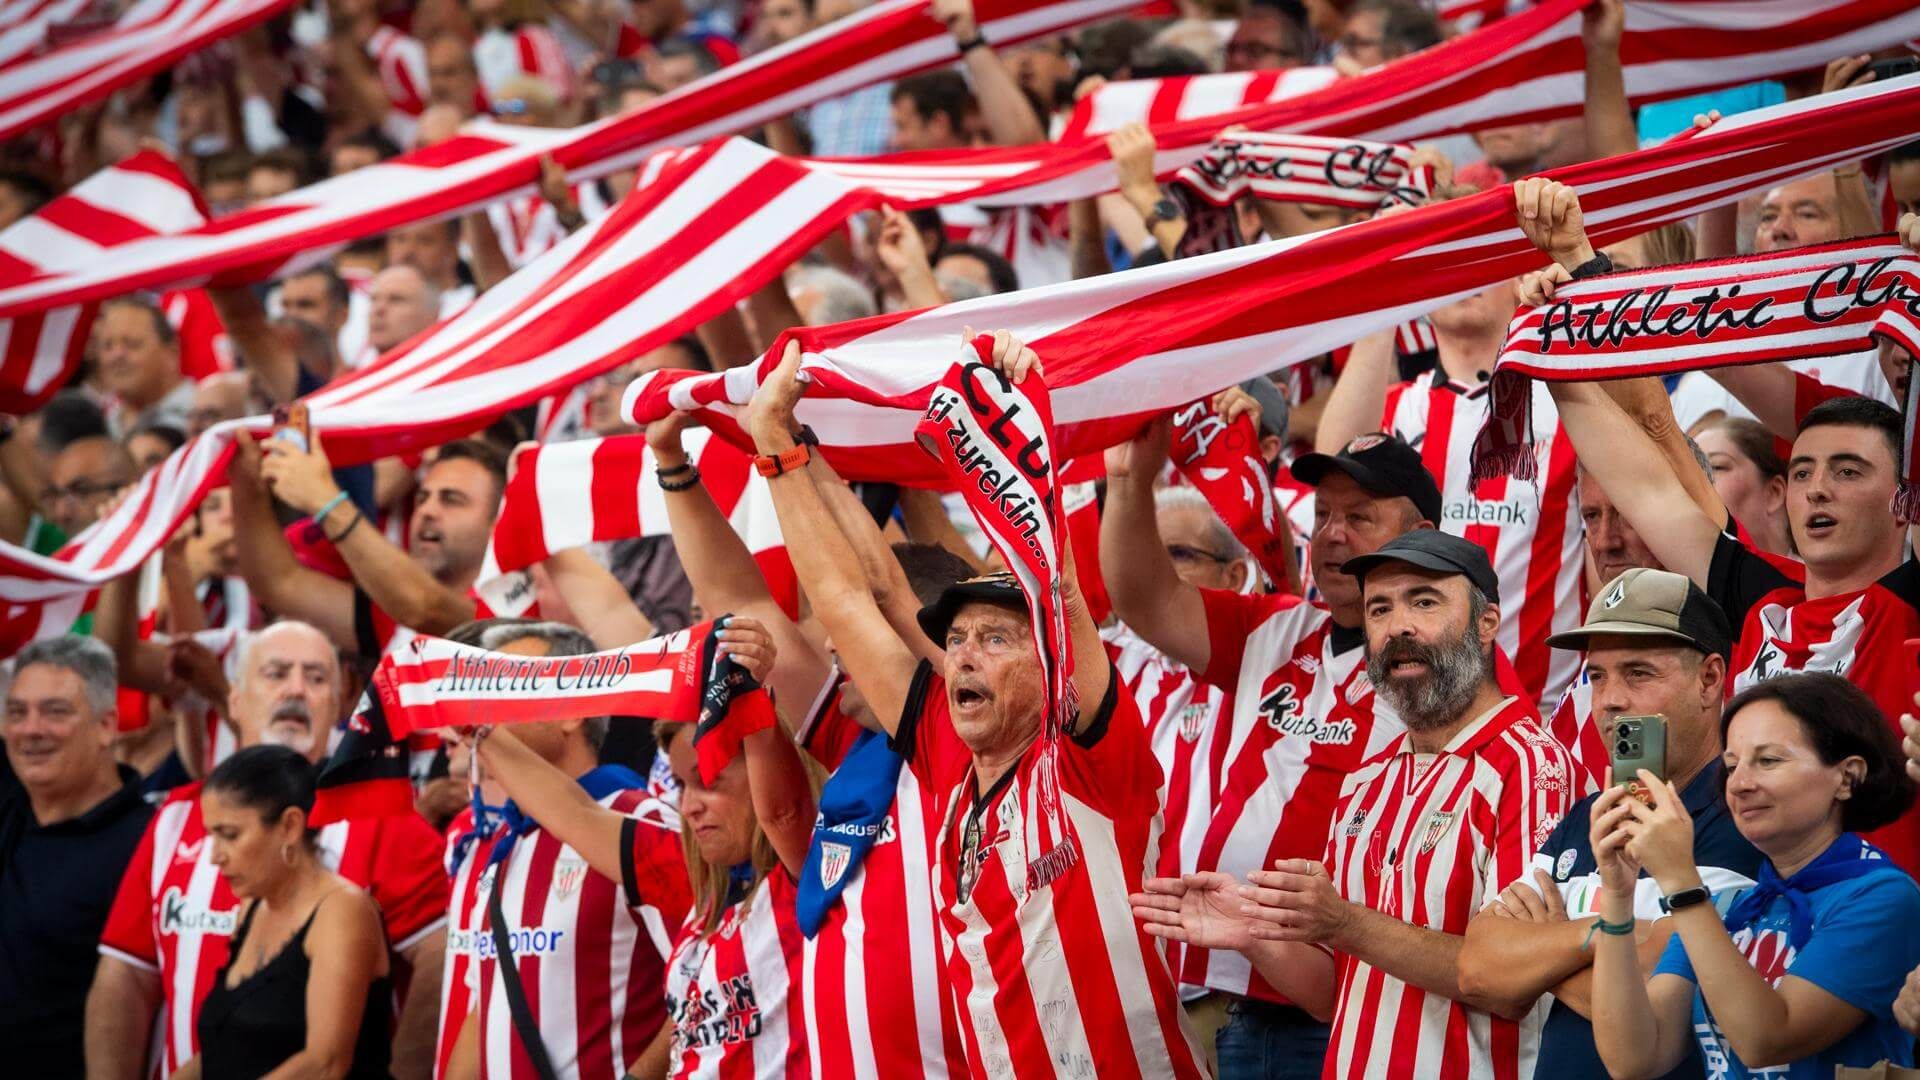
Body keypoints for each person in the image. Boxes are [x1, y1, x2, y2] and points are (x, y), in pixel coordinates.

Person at [754, 335, 1208, 1075]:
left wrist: (1011, 423)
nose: (962, 654)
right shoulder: (945, 752)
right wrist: (780, 446)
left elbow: (1056, 589)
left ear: (1048, 662)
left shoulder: (1088, 758)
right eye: (957, 638)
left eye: (996, 638)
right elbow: (850, 598)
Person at [1531, 181, 1920, 874]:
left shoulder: (1911, 604)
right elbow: (1643, 480)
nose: (1817, 488)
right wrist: (1559, 344)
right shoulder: (1762, 598)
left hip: (1871, 920)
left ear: (1905, 496)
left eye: (1848, 472)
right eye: (1801, 472)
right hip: (1746, 913)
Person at [1132, 529, 1580, 1077]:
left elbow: (1509, 981)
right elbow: (1333, 995)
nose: (1399, 628)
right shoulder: (1367, 779)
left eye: (1425, 601)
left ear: (1487, 623)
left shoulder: (1532, 764)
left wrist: (1344, 922)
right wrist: (1252, 932)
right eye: (1379, 609)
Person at [1102, 423, 1440, 1077]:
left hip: (1359, 1017)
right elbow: (1145, 600)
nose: (1333, 533)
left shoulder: (1452, 666)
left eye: (1359, 516)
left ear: (1421, 531)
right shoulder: (1274, 624)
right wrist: (1127, 481)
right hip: (1241, 1006)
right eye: (1322, 515)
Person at [447, 616, 811, 1078]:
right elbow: (576, 815)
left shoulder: (802, 873)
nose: (690, 806)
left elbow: (782, 812)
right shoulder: (691, 883)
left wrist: (750, 690)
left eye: (709, 781)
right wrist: (476, 725)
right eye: (680, 785)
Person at [86, 621, 449, 1080]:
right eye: (276, 673)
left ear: (339, 704)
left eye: (316, 678)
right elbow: (126, 975)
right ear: (234, 699)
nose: (295, 690)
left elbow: (441, 969)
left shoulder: (384, 818)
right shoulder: (176, 816)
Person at [1458, 568, 1763, 1079]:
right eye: (1597, 676)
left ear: (1710, 679)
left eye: (1638, 673)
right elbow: (1480, 969)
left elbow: (1689, 988)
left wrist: (1543, 955)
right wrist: (1610, 937)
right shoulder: (1589, 814)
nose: (1609, 700)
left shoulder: (1746, 812)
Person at [1590, 674, 1920, 1079]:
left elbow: (1766, 1039)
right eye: (1731, 765)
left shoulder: (1883, 896)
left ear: (1847, 776)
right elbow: (1635, 1057)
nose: (1740, 784)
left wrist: (1680, 878)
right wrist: (1617, 894)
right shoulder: (1734, 905)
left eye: (1769, 760)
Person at [434, 620, 696, 1080]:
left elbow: (704, 974)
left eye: (506, 686)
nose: (484, 706)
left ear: (570, 713)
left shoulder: (641, 820)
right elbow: (487, 1005)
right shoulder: (505, 844)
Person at [173, 745, 392, 1079]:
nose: (215, 856)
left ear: (290, 826)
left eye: (230, 835)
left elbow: (325, 1063)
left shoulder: (342, 911)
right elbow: (225, 1047)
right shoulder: (252, 908)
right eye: (211, 836)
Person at [0, 637, 154, 1076]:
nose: (31, 729)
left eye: (55, 711)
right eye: (17, 712)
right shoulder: (11, 803)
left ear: (107, 725)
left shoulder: (150, 842)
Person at [229, 433, 503, 658]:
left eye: (452, 499)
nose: (427, 511)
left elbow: (423, 608)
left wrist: (324, 499)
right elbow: (279, 583)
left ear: (499, 521)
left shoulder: (515, 607)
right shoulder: (390, 612)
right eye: (422, 497)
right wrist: (246, 488)